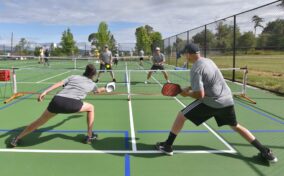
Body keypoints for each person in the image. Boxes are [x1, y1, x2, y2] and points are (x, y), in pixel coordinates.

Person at [155, 43, 278, 163]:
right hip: (227, 100)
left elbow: (200, 95)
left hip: (211, 102)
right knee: (236, 126)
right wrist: (190, 88)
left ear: (189, 54)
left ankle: (167, 146)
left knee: (181, 116)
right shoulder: (209, 61)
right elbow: (208, 82)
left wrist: (187, 94)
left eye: (185, 54)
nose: (184, 56)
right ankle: (265, 152)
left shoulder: (195, 69)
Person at [9, 64, 107, 147]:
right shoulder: (92, 84)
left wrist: (45, 91)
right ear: (93, 75)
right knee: (91, 108)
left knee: (39, 122)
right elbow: (97, 91)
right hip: (73, 104)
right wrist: (107, 88)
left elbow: (59, 83)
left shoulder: (73, 77)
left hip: (57, 101)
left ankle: (17, 138)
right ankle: (89, 137)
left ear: (85, 71)